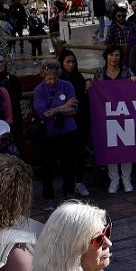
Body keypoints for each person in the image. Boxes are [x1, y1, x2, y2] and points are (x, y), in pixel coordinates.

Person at [33, 59, 86, 201]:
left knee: (69, 162)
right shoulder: (39, 90)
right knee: (48, 166)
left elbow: (74, 109)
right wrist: (62, 107)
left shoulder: (67, 85)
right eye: (49, 78)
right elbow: (44, 113)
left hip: (67, 130)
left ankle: (69, 191)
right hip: (48, 133)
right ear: (43, 75)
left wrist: (56, 110)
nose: (52, 81)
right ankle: (48, 196)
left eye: (55, 78)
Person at [98, 44, 136, 194]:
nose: (114, 58)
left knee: (126, 148)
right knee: (111, 149)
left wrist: (134, 81)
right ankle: (114, 180)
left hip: (125, 115)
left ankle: (126, 180)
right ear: (106, 56)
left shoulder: (127, 72)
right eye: (111, 55)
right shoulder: (100, 73)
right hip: (107, 117)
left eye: (117, 55)